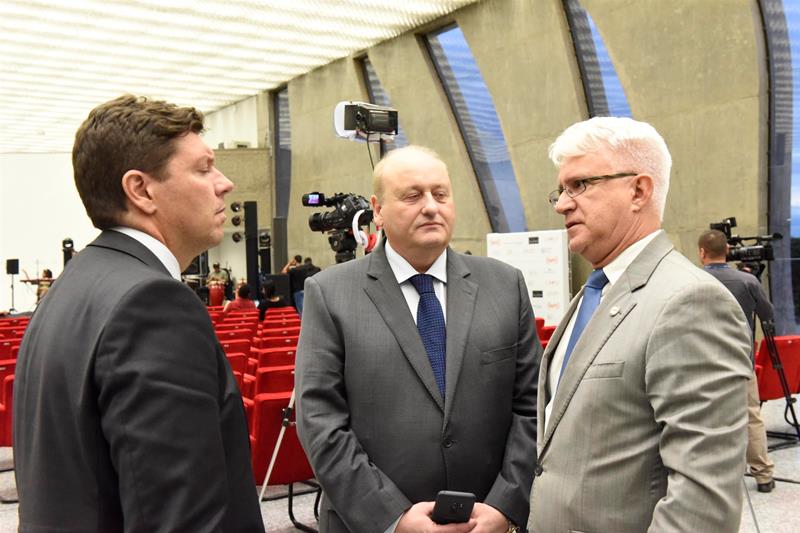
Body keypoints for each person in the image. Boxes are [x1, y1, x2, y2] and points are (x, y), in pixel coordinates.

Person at [13, 95, 265, 532]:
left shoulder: (70, 289)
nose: (224, 183)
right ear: (142, 190)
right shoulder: (152, 303)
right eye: (204, 168)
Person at [296, 145, 540, 533]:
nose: (430, 207)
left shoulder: (505, 285)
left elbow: (532, 408)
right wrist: (392, 518)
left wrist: (505, 506)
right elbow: (319, 421)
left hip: (487, 522)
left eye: (440, 194)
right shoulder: (330, 293)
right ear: (377, 210)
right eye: (412, 196)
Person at [530, 117, 752, 532]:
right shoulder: (594, 295)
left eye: (580, 185)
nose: (562, 204)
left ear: (639, 191)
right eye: (561, 190)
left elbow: (702, 507)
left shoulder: (690, 303)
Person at [698, 228, 776, 493]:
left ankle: (712, 478)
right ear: (728, 251)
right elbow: (768, 314)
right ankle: (763, 476)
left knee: (705, 419)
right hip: (741, 361)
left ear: (702, 252)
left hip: (703, 363)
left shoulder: (692, 280)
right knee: (752, 416)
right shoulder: (747, 281)